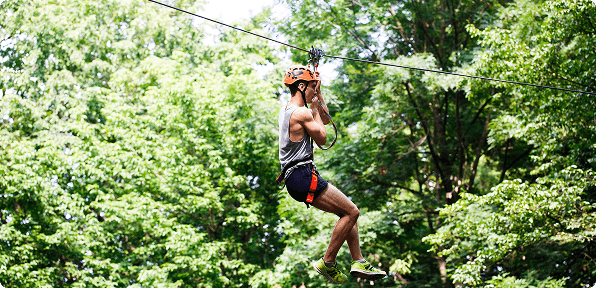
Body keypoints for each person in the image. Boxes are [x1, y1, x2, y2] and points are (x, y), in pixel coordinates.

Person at [277, 65, 387, 284]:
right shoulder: (301, 113)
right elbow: (323, 137)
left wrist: (318, 94)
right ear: (301, 86)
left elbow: (324, 120)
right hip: (302, 176)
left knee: (346, 213)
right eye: (310, 87)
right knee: (352, 212)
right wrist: (315, 109)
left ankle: (358, 260)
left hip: (297, 178)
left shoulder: (288, 109)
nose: (312, 91)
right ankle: (327, 262)